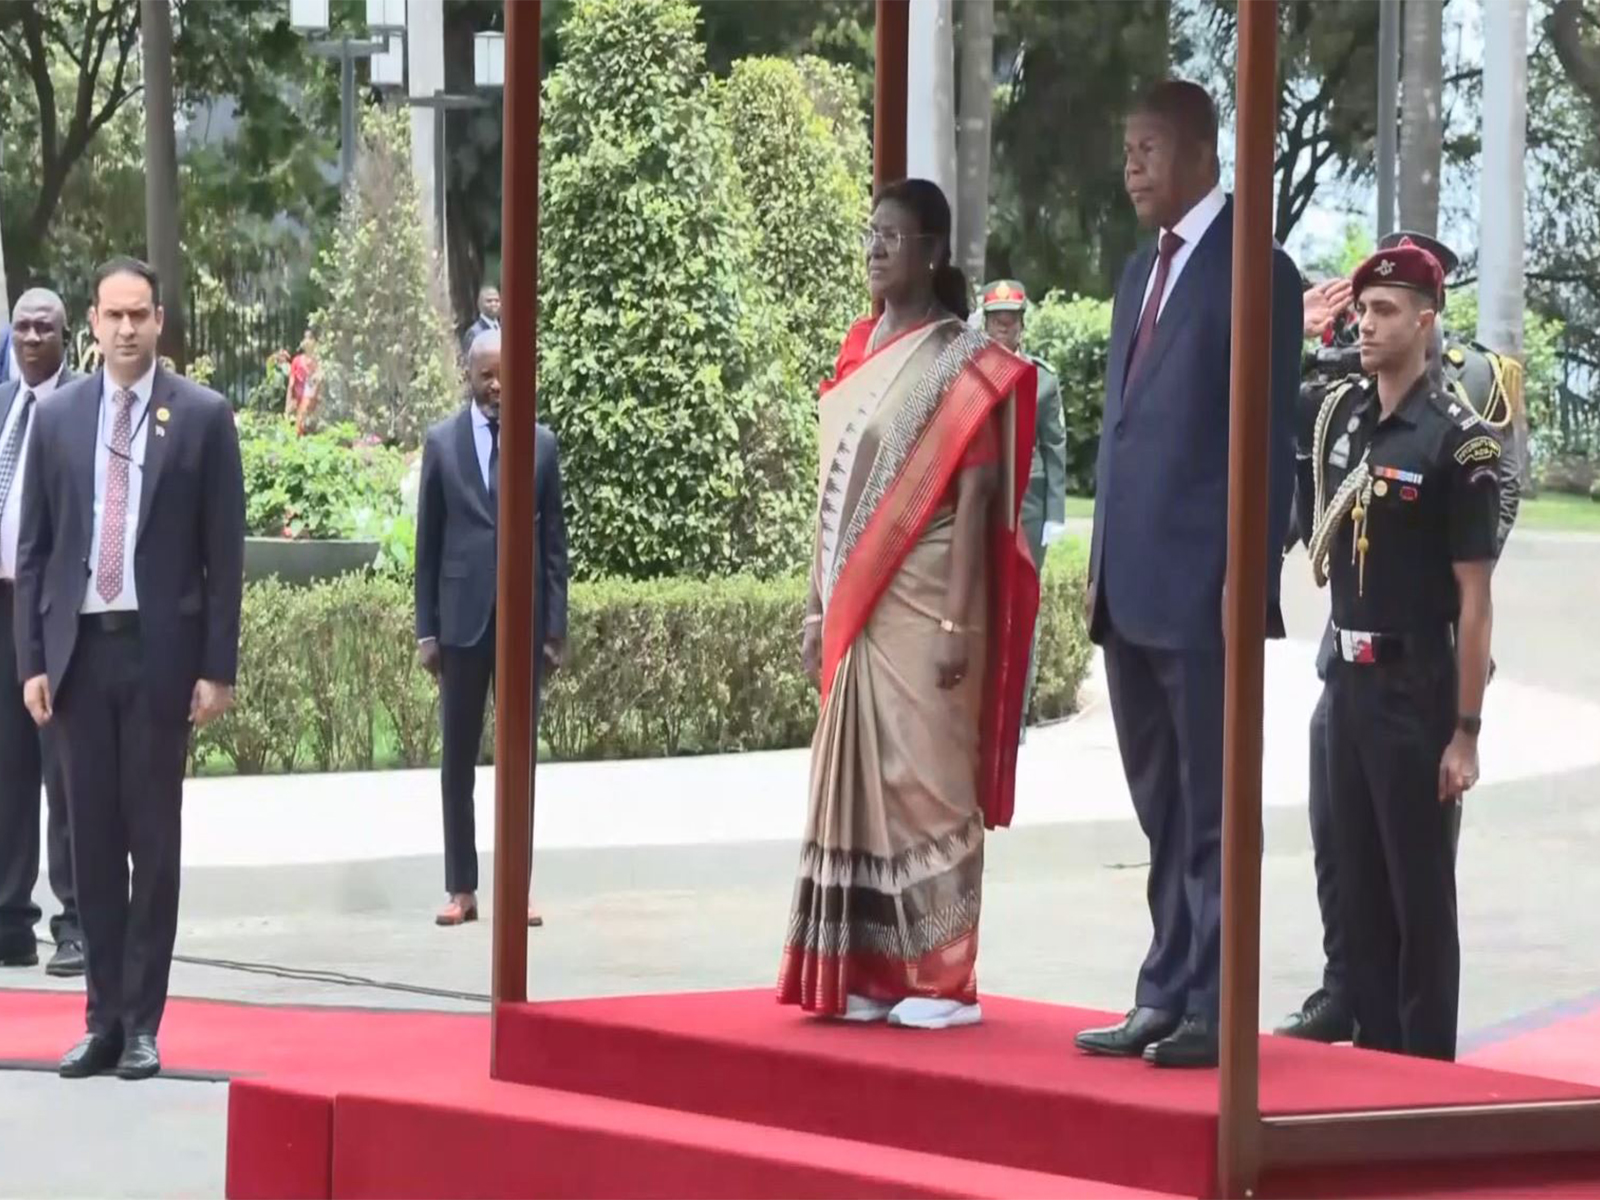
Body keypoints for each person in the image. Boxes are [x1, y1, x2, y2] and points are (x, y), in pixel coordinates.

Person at [777, 178, 1040, 1031]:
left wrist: (962, 623)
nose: (876, 249)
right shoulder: (861, 349)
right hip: (860, 609)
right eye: (870, 235)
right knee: (866, 791)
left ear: (931, 248)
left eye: (893, 235)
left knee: (928, 787)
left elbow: (977, 504)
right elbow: (833, 489)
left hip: (930, 603)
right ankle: (871, 971)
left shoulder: (963, 362)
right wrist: (818, 599)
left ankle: (943, 980)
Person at [1076, 81, 1302, 1068]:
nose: (1131, 165)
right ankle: (1163, 988)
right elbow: (1119, 436)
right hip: (1130, 591)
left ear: (1204, 154)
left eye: (1149, 147)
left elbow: (1268, 437)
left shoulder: (1258, 270)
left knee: (1213, 807)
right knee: (1161, 805)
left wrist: (1243, 580)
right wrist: (1094, 566)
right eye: (1126, 147)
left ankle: (1217, 998)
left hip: (1202, 594)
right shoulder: (1136, 275)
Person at [1278, 231, 1523, 1043]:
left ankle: (1423, 1091)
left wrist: (1466, 733)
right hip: (1347, 686)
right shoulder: (1347, 412)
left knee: (1420, 901)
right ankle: (1372, 1080)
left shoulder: (1460, 440)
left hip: (1416, 694)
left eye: (1384, 312)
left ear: (1426, 321)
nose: (1367, 326)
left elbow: (1475, 599)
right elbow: (1271, 393)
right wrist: (1294, 324)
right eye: (1362, 311)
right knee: (1357, 892)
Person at [15, 257, 245, 1080]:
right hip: (78, 659)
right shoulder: (62, 414)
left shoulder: (204, 417)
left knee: (153, 843)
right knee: (89, 847)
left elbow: (224, 553)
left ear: (159, 322)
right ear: (93, 320)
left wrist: (218, 669)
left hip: (158, 658)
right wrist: (32, 660)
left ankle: (144, 1022)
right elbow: (36, 550)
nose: (124, 330)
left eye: (138, 316)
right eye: (111, 316)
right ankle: (102, 1019)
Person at [414, 329, 568, 929]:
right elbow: (427, 547)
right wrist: (427, 631)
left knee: (518, 765)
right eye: (487, 375)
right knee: (457, 762)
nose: (498, 385)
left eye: (507, 374)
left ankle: (516, 890)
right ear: (469, 376)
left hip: (522, 628)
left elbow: (554, 547)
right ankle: (462, 889)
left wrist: (554, 626)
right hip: (460, 627)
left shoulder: (542, 446)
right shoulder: (441, 444)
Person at [0, 289, 83, 978]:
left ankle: (78, 920)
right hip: (1, 607)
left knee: (65, 767)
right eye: (22, 326)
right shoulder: (3, 403)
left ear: (66, 335)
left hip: (53, 612)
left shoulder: (78, 408)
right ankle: (9, 922)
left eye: (44, 328)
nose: (31, 338)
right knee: (7, 771)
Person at [976, 280, 1066, 730]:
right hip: (984, 498)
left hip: (1028, 501)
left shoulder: (1042, 379)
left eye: (1009, 323)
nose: (1002, 331)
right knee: (982, 601)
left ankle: (1018, 706)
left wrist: (1055, 515)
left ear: (1021, 327)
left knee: (1021, 603)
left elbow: (1055, 448)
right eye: (995, 323)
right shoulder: (969, 375)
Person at [284, 333, 321, 436]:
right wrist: (287, 407)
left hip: (313, 407)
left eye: (310, 338)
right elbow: (291, 386)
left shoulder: (319, 362)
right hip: (298, 406)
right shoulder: (297, 361)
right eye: (305, 338)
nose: (307, 341)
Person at [461, 285, 501, 356]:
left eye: (497, 301)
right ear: (480, 304)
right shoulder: (474, 332)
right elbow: (468, 361)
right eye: (489, 301)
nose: (494, 304)